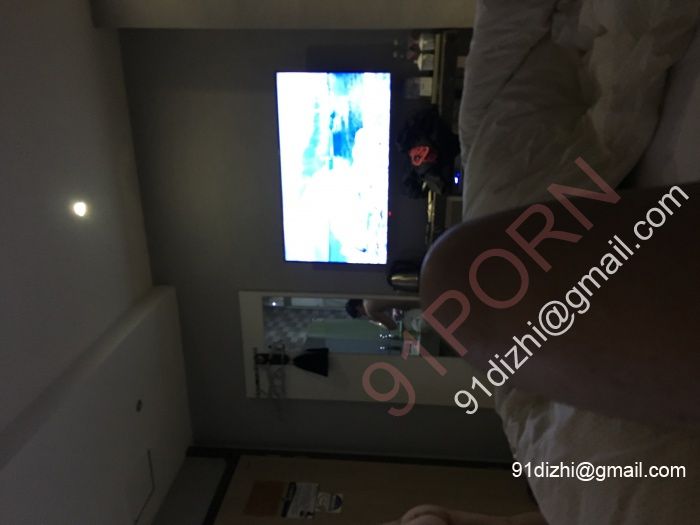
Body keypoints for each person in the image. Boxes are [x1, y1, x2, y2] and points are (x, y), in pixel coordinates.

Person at [345, 297, 421, 331]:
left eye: (360, 315)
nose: (364, 316)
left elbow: (393, 326)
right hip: (411, 295)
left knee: (415, 326)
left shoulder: (369, 310)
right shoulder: (368, 295)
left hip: (413, 304)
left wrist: (376, 322)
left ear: (357, 308)